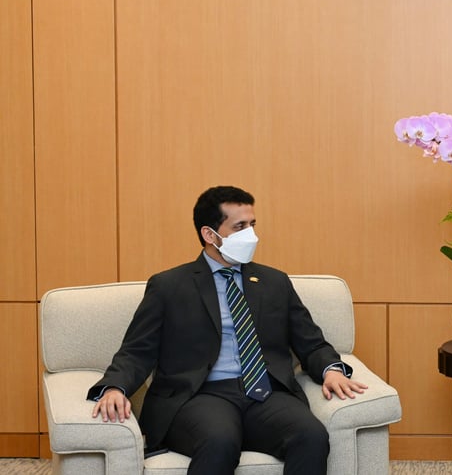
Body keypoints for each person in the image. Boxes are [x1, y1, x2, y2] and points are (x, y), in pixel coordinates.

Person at [89, 185, 367, 475]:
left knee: (311, 436)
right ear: (210, 235)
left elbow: (311, 343)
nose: (252, 235)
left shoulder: (275, 282)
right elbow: (137, 351)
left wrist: (332, 369)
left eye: (252, 225)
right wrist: (114, 387)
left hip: (266, 394)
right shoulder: (169, 286)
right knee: (220, 441)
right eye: (240, 227)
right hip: (200, 396)